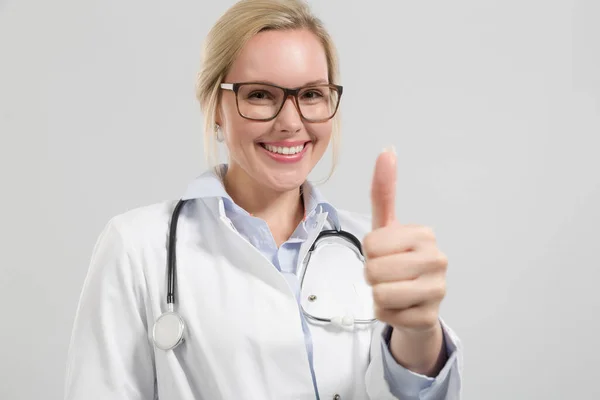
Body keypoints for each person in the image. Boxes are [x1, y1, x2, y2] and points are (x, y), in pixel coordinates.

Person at [63, 0, 463, 399]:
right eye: (259, 95)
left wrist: (420, 334)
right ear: (214, 106)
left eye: (310, 94)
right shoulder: (136, 248)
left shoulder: (376, 251)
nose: (290, 122)